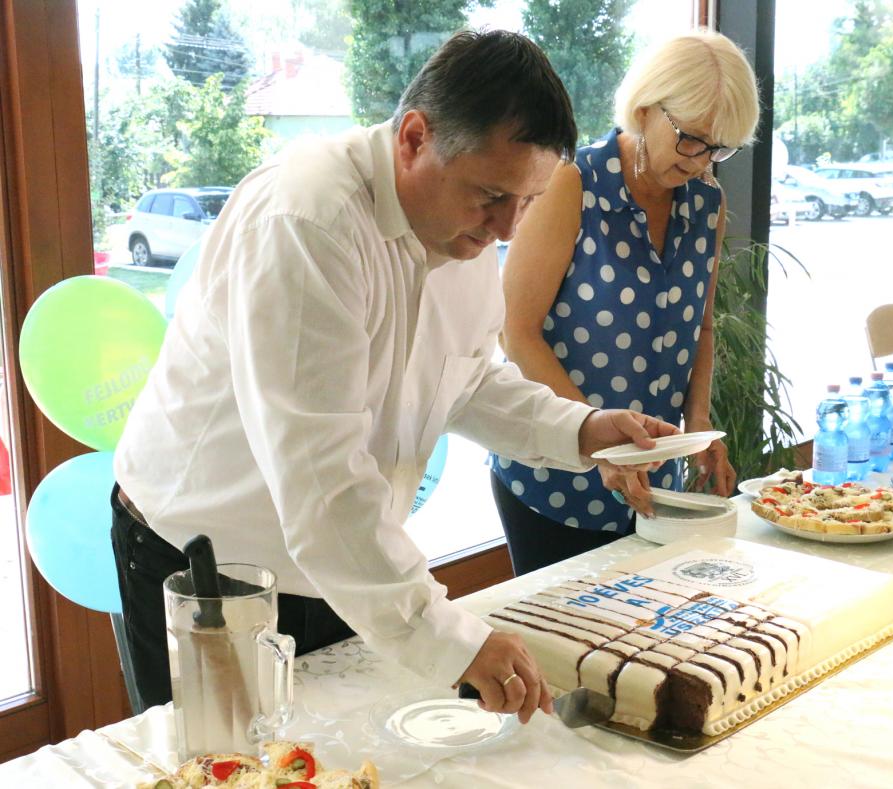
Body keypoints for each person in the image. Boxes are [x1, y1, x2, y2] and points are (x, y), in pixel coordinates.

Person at [111, 30, 678, 725]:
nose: (505, 229)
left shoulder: (458, 226)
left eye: (526, 202)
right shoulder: (309, 221)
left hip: (335, 555)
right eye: (492, 195)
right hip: (210, 548)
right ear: (413, 138)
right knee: (231, 761)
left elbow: (464, 381)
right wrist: (449, 637)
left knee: (339, 748)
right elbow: (321, 475)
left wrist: (581, 427)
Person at [490, 30, 759, 576]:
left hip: (652, 477)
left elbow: (699, 329)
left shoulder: (707, 201)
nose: (702, 161)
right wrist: (596, 440)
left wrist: (699, 427)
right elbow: (516, 333)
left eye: (719, 147)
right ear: (645, 108)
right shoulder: (574, 184)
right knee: (567, 640)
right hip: (555, 476)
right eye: (692, 139)